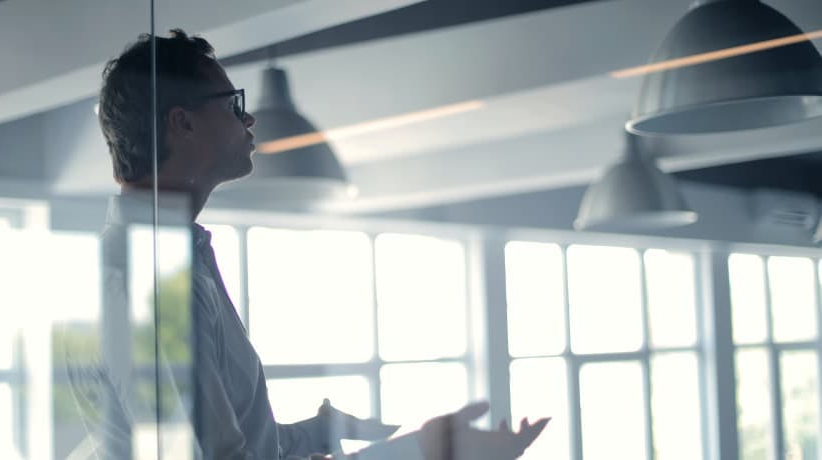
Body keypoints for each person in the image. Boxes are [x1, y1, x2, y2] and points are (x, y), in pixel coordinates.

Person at [94, 28, 549, 460]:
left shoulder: (167, 260)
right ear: (183, 124)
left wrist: (333, 430)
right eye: (233, 104)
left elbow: (245, 445)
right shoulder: (149, 279)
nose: (249, 117)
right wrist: (426, 451)